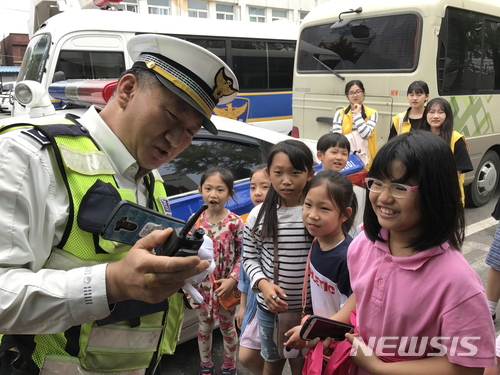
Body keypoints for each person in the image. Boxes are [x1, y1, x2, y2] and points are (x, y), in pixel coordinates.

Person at [0, 34, 239, 374]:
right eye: (171, 116)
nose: (176, 141)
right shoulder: (29, 156)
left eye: (190, 130)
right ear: (126, 89)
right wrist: (110, 283)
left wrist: (178, 268)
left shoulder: (151, 179)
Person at [311, 131, 496, 374]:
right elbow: (363, 294)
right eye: (377, 182)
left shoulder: (457, 282)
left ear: (434, 192)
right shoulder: (362, 245)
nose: (383, 197)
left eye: (400, 187)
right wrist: (330, 327)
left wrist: (378, 367)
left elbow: (467, 367)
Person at [242, 139, 315, 375]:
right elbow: (249, 258)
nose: (286, 180)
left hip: (310, 311)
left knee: (301, 366)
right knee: (271, 364)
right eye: (279, 172)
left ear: (310, 174)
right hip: (269, 311)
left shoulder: (315, 214)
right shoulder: (257, 215)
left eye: (295, 173)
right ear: (268, 173)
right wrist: (263, 285)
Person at [282, 170, 357, 350]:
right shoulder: (316, 240)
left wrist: (311, 332)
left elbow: (353, 311)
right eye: (308, 204)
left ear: (345, 214)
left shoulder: (347, 258)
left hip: (337, 343)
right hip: (321, 337)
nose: (312, 215)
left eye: (324, 208)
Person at [190, 167, 244, 375]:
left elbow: (244, 255)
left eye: (220, 190)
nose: (213, 194)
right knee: (204, 327)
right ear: (200, 190)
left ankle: (229, 366)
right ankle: (206, 365)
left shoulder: (235, 223)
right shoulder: (195, 222)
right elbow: (189, 255)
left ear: (230, 194)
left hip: (226, 288)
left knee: (227, 327)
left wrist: (232, 279)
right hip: (203, 287)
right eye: (208, 188)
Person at [237, 164, 270, 375]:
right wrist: (241, 305)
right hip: (255, 301)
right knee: (248, 356)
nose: (257, 192)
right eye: (252, 187)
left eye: (264, 186)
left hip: (281, 300)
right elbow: (244, 269)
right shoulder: (249, 220)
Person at [419, 97, 473, 206]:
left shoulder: (456, 139)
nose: (435, 116)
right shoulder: (418, 137)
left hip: (446, 197)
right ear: (425, 115)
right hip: (421, 195)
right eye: (431, 112)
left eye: (441, 112)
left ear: (447, 116)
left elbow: (456, 173)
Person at [317, 132, 365, 234]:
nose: (339, 157)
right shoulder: (313, 183)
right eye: (334, 152)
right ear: (320, 155)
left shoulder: (347, 185)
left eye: (344, 153)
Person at [331, 80, 378, 169]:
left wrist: (357, 114)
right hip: (346, 157)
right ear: (347, 96)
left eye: (358, 92)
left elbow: (365, 134)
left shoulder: (373, 113)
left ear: (363, 93)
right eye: (351, 93)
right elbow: (337, 138)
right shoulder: (340, 113)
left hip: (366, 157)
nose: (355, 95)